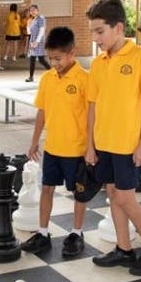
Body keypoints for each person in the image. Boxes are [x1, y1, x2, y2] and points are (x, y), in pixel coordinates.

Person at [85, 0, 141, 277]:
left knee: (126, 198)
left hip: (127, 144)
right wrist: (90, 145)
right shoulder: (97, 64)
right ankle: (124, 248)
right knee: (112, 194)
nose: (95, 38)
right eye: (92, 32)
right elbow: (92, 105)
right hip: (104, 142)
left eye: (99, 31)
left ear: (118, 28)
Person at [21, 27, 90, 259]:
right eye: (50, 58)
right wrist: (34, 142)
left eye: (58, 58)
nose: (53, 63)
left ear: (72, 53)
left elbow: (93, 117)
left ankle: (77, 233)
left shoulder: (84, 79)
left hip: (77, 149)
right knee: (47, 190)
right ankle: (43, 233)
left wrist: (91, 148)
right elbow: (42, 111)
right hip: (52, 148)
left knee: (79, 193)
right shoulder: (47, 79)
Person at [25, 4, 50, 82]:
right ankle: (31, 77)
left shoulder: (41, 18)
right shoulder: (32, 20)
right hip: (32, 42)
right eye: (30, 11)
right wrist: (28, 25)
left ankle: (54, 73)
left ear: (37, 10)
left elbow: (42, 31)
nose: (32, 12)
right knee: (32, 59)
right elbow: (29, 33)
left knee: (41, 59)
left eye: (34, 10)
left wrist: (37, 41)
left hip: (39, 42)